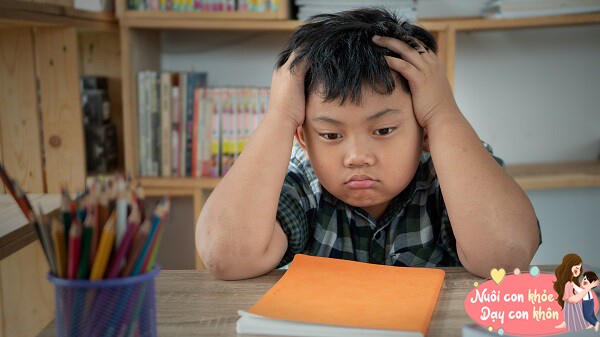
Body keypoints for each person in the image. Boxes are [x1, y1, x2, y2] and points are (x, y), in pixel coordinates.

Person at [195, 7, 541, 280]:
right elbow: (225, 256)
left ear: (424, 130)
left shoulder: (450, 171)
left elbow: (505, 258)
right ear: (302, 137)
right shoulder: (302, 182)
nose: (357, 157)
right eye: (331, 135)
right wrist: (279, 116)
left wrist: (443, 113)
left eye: (384, 130)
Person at [554, 254, 599, 331]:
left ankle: (593, 323)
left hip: (579, 303)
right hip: (575, 304)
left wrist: (588, 287)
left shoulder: (571, 283)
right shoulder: (569, 283)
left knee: (585, 315)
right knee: (576, 314)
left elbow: (573, 299)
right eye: (577, 268)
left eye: (579, 268)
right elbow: (572, 299)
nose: (578, 271)